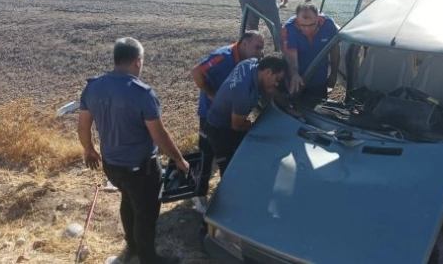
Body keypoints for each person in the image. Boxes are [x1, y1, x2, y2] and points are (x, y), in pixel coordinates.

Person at [77, 37, 190, 264]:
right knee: (146, 212)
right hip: (141, 169)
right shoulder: (142, 93)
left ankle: (131, 247)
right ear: (138, 61)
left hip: (111, 166)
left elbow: (83, 126)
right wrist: (179, 159)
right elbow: (159, 135)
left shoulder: (93, 86)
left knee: (128, 200)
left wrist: (89, 150)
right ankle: (148, 258)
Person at [189, 31, 265, 213]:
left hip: (230, 116)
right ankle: (199, 195)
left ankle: (229, 189)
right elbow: (196, 72)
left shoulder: (250, 63)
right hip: (210, 113)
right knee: (206, 154)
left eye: (262, 48)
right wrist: (211, 94)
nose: (260, 53)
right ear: (244, 43)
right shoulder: (223, 56)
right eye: (257, 47)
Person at [203, 54, 289, 175]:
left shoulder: (251, 63)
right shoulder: (243, 93)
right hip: (219, 130)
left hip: (228, 115)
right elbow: (237, 126)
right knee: (230, 170)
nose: (276, 84)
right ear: (268, 72)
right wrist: (262, 126)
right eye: (277, 79)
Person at [282, 2, 340, 99]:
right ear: (296, 19)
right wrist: (294, 74)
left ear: (318, 18)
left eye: (311, 25)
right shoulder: (289, 28)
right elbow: (291, 54)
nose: (307, 29)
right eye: (302, 25)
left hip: (320, 78)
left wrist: (334, 73)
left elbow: (335, 49)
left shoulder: (328, 24)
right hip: (297, 80)